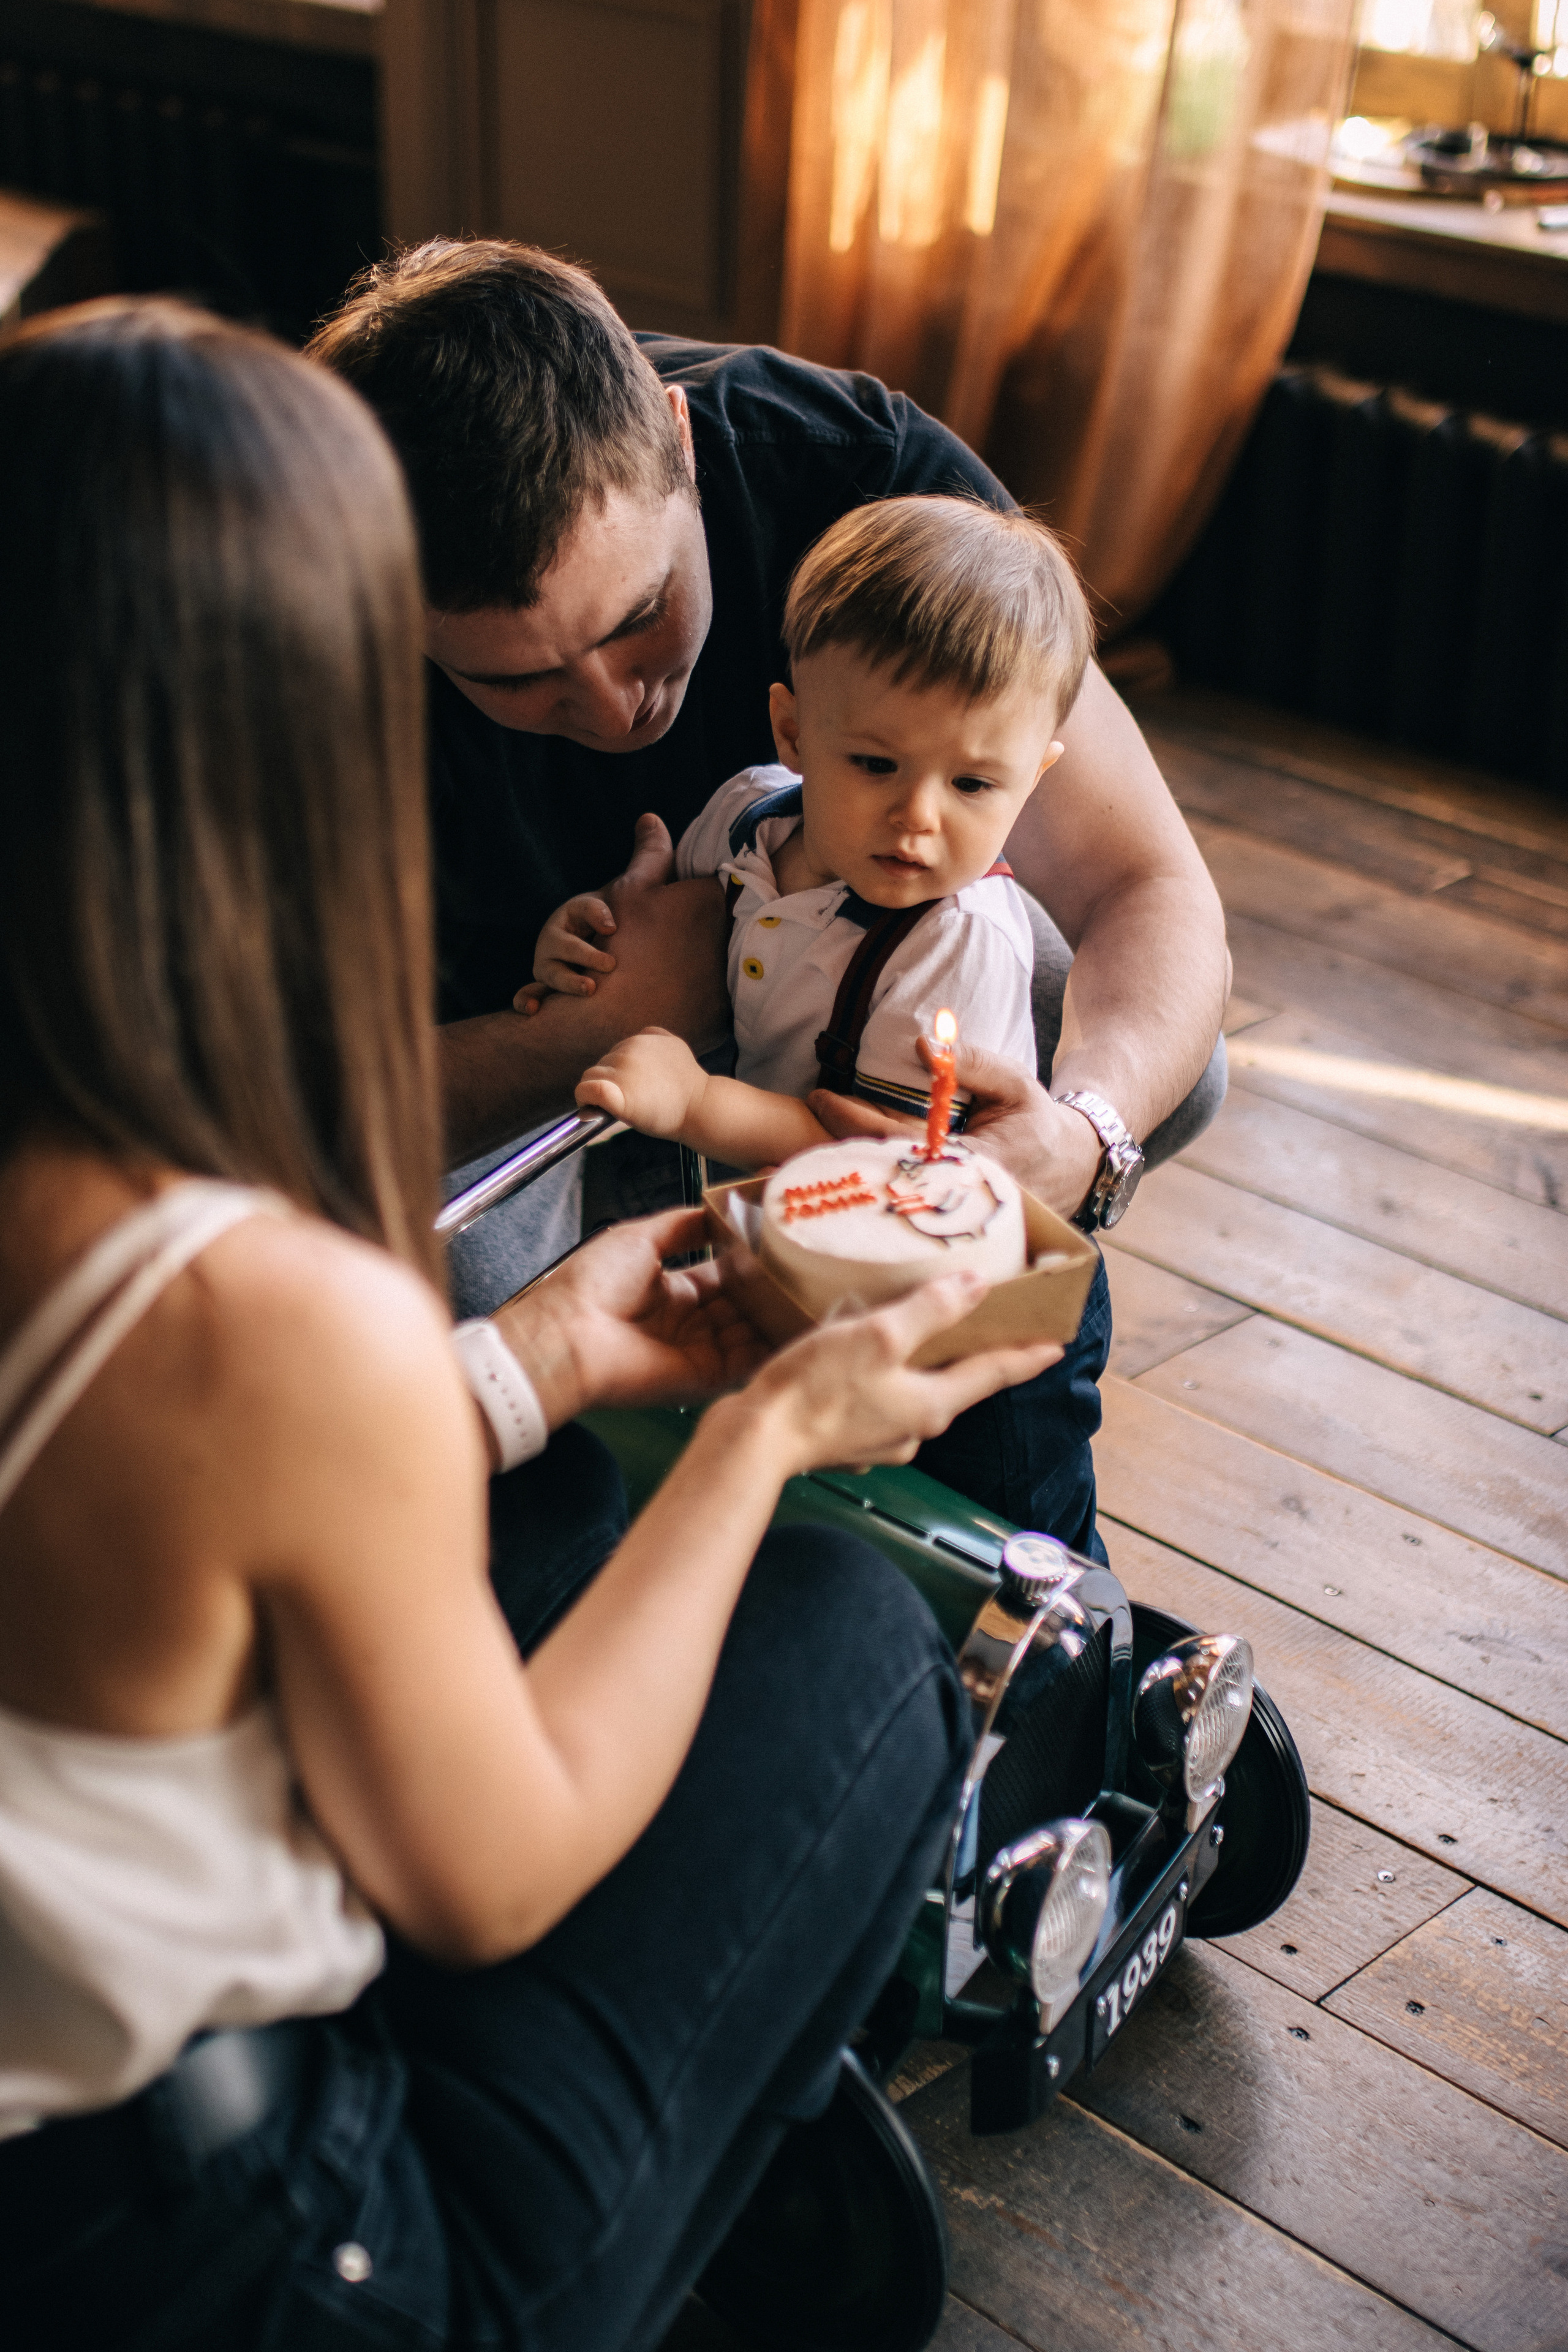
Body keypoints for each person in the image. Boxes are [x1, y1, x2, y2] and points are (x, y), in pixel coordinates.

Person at [0, 299, 1062, 2351]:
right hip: (230, 2262)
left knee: (546, 1500)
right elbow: (480, 1876)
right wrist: (768, 1435)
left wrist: (544, 1352)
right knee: (853, 1647)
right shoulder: (249, 1301)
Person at [307, 240, 1230, 1559]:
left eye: (640, 614)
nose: (613, 703)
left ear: (677, 446)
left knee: (1165, 1072)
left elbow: (1147, 883)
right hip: (541, 1062)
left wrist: (1080, 1133)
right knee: (470, 1353)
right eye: (518, 684)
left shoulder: (857, 480)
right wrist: (600, 1027)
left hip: (837, 1019)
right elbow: (274, 1122)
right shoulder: (301, 645)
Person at [554, 496, 1098, 1532]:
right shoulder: (755, 814)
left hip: (964, 1293)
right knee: (835, 1497)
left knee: (998, 1535)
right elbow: (690, 900)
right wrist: (601, 924)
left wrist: (699, 1101)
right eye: (876, 765)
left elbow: (876, 1159)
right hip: (815, 1254)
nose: (918, 818)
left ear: (1036, 777)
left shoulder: (957, 940)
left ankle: (1092, 1678)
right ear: (795, 731)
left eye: (976, 782)